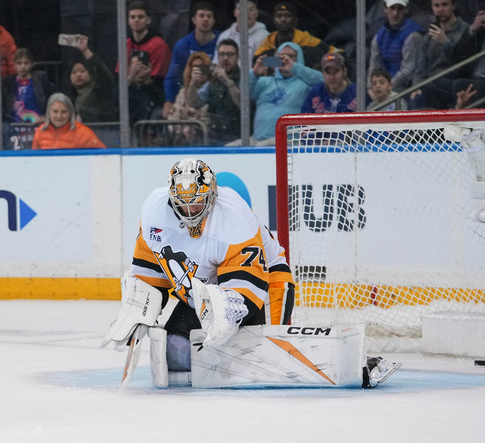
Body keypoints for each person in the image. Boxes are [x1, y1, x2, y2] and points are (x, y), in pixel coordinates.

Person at [102, 158, 398, 389]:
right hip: (204, 294)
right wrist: (140, 305)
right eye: (183, 204)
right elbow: (150, 269)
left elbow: (247, 294)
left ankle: (356, 365)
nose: (190, 211)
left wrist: (225, 316)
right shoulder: (154, 210)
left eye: (197, 203)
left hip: (266, 286)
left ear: (212, 195)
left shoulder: (234, 220)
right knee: (176, 350)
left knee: (268, 355)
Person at [248, 42, 323, 145]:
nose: (286, 60)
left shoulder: (305, 83)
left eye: (292, 56)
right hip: (256, 140)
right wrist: (254, 73)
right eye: (281, 56)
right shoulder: (264, 82)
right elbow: (244, 93)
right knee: (227, 150)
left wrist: (295, 68)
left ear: (299, 59)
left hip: (288, 142)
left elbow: (324, 81)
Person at [417, 0, 475, 109]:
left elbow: (463, 64)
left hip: (453, 82)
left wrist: (445, 42)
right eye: (436, 6)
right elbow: (420, 68)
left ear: (453, 5)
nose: (440, 9)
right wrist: (416, 87)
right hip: (430, 84)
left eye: (445, 4)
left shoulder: (465, 30)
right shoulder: (428, 36)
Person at [163, 2, 219, 117]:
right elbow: (174, 76)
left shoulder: (221, 42)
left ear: (214, 21)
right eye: (201, 16)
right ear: (194, 20)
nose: (205, 20)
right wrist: (169, 100)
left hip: (214, 96)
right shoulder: (182, 45)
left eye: (209, 16)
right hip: (188, 93)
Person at [368, 0, 424, 96]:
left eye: (400, 8)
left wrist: (386, 88)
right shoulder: (379, 36)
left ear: (406, 9)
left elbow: (407, 71)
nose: (395, 13)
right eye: (392, 8)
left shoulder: (413, 35)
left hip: (403, 87)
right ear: (385, 8)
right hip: (383, 86)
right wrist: (371, 87)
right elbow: (374, 66)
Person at [254, 1, 337, 70]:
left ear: (295, 20)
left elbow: (336, 53)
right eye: (279, 16)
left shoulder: (306, 40)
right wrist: (283, 61)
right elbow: (256, 61)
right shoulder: (268, 42)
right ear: (274, 20)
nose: (283, 19)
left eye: (288, 16)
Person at [64, 34, 118, 123]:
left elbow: (104, 76)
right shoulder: (71, 99)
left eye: (82, 71)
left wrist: (85, 51)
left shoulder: (97, 90)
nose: (78, 75)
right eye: (74, 72)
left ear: (90, 74)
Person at [201, 38, 243, 145]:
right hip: (213, 137)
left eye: (230, 54)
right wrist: (192, 83)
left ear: (238, 57)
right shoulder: (213, 80)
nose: (225, 58)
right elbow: (195, 103)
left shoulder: (245, 78)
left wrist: (227, 82)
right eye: (222, 54)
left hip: (237, 137)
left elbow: (243, 105)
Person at [31, 93, 106, 150]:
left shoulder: (83, 132)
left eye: (64, 112)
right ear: (48, 112)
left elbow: (104, 156)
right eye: (55, 111)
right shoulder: (40, 131)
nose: (59, 116)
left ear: (71, 113)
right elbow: (34, 161)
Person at [123, 1, 171, 86]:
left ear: (148, 20)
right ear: (128, 21)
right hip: (129, 91)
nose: (136, 20)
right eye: (132, 17)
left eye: (140, 17)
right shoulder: (126, 44)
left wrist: (145, 79)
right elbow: (119, 78)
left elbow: (158, 82)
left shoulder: (159, 45)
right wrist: (131, 76)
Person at [3, 48, 54, 123]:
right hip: (15, 124)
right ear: (14, 65)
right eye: (19, 63)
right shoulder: (9, 82)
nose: (23, 66)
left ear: (32, 64)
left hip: (37, 122)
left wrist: (45, 115)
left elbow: (50, 99)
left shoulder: (40, 80)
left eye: (26, 63)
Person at [214, 0, 268, 66]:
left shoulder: (264, 37)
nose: (246, 13)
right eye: (241, 9)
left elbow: (265, 66)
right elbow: (216, 63)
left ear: (257, 13)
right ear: (235, 12)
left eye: (251, 9)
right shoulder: (224, 36)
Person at [126, 49, 166, 126]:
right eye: (136, 66)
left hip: (149, 132)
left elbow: (161, 104)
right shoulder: (123, 88)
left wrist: (148, 81)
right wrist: (131, 77)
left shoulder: (154, 88)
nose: (140, 70)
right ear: (129, 68)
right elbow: (116, 100)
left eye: (143, 66)